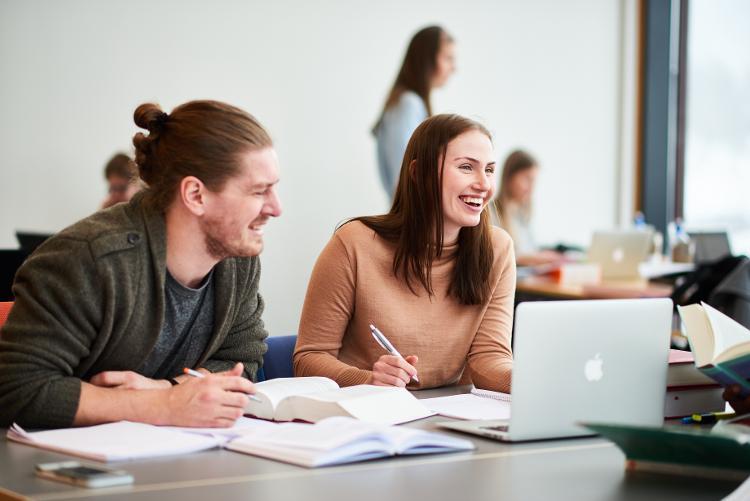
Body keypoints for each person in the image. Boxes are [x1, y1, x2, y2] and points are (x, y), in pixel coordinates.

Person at [0, 100, 282, 428]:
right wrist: (158, 404)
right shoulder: (89, 260)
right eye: (260, 192)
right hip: (55, 464)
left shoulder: (236, 260)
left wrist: (169, 389)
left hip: (170, 458)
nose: (276, 208)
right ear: (195, 195)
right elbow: (16, 389)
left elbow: (242, 357)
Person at [295, 114, 514, 393]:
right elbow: (308, 360)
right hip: (366, 415)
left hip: (447, 417)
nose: (484, 184)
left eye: (490, 170)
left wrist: (528, 381)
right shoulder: (354, 244)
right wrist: (368, 380)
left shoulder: (497, 250)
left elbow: (489, 358)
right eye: (467, 167)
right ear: (418, 173)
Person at [373, 25, 455, 198]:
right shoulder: (408, 104)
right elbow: (403, 176)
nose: (453, 68)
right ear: (428, 59)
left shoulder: (409, 104)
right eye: (448, 58)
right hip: (412, 218)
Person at [490, 150, 563, 267]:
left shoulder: (522, 216)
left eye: (534, 181)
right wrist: (532, 258)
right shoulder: (490, 213)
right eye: (527, 179)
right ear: (509, 177)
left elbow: (529, 250)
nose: (531, 188)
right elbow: (495, 257)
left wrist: (541, 256)